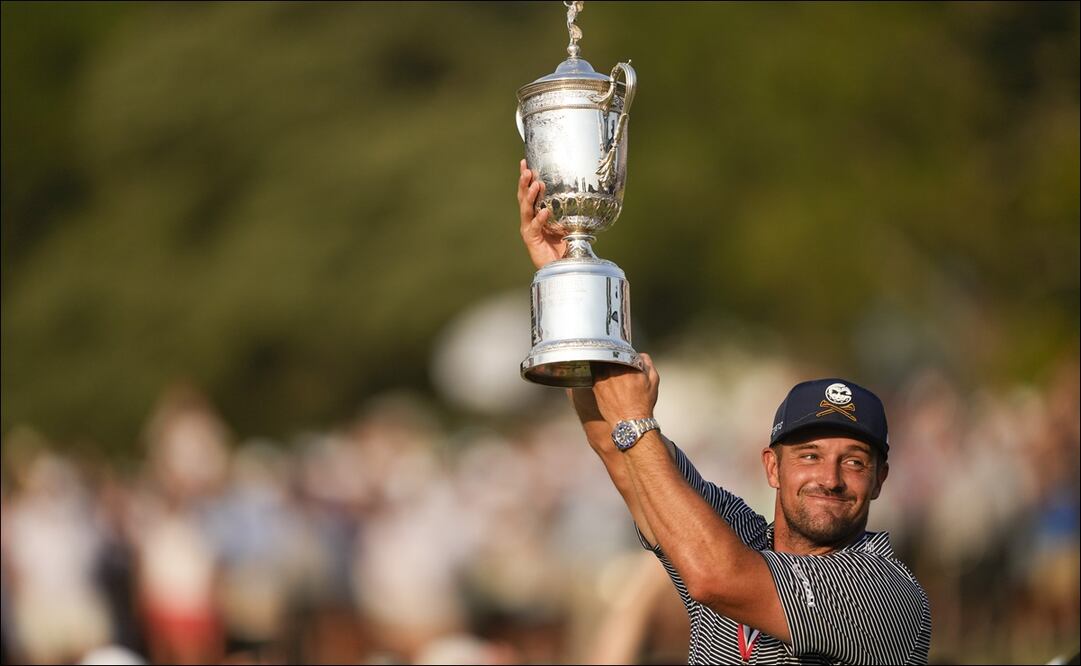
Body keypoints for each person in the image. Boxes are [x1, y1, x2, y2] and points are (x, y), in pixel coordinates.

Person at [516, 161, 932, 664]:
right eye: (810, 456)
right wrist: (566, 280)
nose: (830, 478)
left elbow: (717, 577)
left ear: (881, 478)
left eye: (855, 461)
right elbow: (617, 448)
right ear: (772, 467)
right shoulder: (736, 533)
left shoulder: (885, 590)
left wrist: (638, 424)